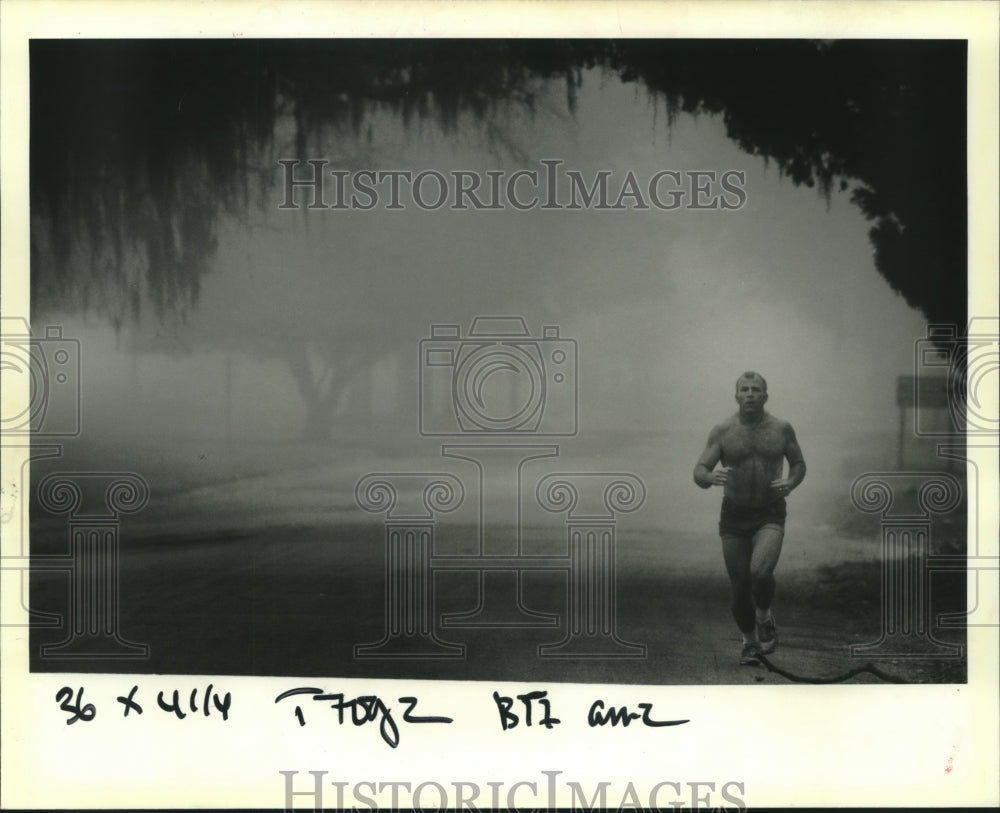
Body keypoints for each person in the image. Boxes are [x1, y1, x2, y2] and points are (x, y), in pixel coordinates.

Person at [693, 371, 806, 665]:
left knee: (760, 573)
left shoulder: (781, 429)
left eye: (756, 389)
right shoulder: (723, 431)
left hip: (770, 511)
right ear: (736, 396)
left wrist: (791, 483)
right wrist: (709, 476)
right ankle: (749, 641)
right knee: (740, 584)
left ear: (766, 396)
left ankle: (765, 615)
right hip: (734, 515)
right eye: (744, 389)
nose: (750, 394)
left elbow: (798, 463)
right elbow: (699, 471)